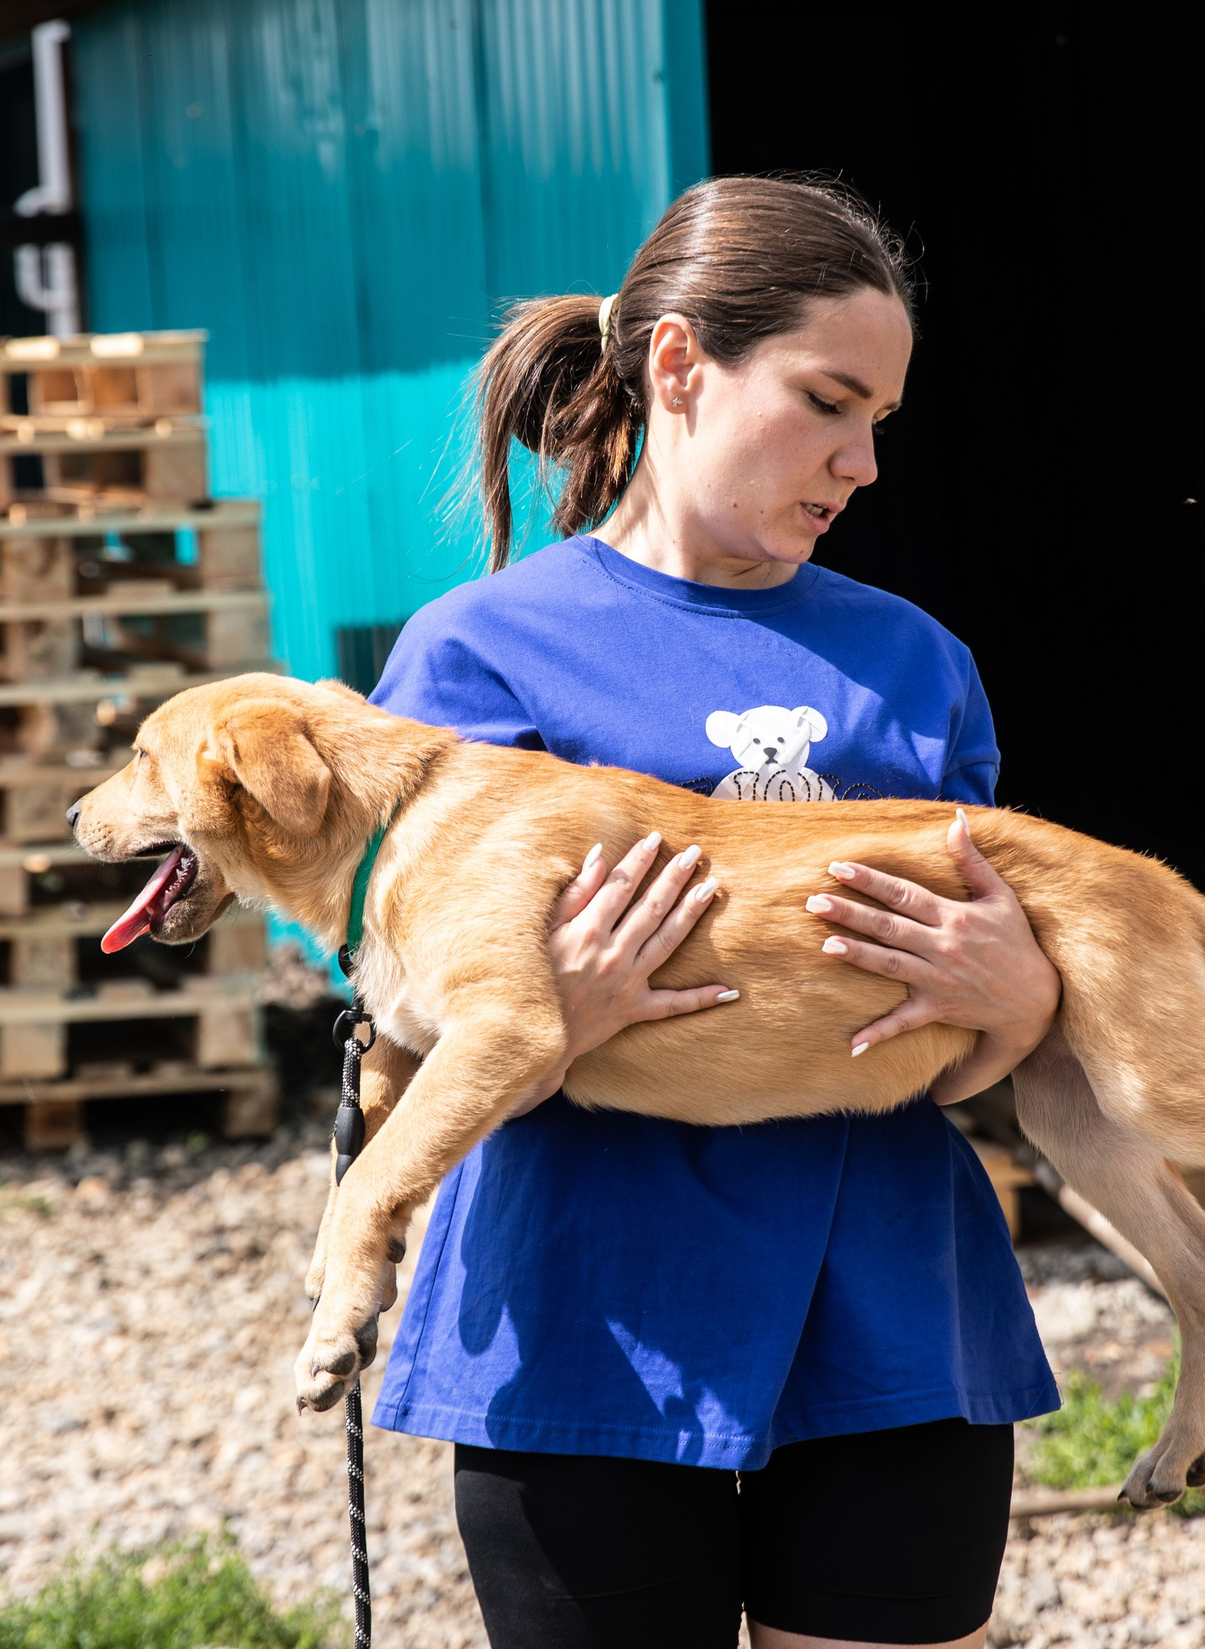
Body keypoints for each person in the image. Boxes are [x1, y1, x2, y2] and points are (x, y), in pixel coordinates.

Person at [365, 175, 1066, 1649]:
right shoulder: (477, 659)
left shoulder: (919, 665)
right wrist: (552, 1015)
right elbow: (384, 1045)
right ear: (678, 366)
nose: (862, 460)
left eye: (878, 418)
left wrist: (1022, 1004)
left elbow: (988, 1055)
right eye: (826, 402)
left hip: (896, 1323)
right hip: (585, 1329)